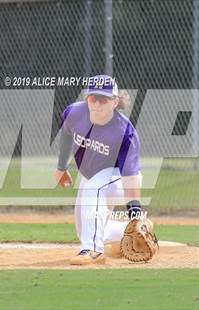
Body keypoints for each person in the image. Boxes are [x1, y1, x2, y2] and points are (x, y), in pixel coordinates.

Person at [54, 74, 143, 265]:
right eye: (93, 98)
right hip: (92, 177)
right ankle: (135, 231)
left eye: (103, 99)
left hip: (119, 178)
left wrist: (135, 211)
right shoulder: (74, 113)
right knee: (85, 226)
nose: (97, 104)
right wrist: (61, 167)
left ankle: (93, 250)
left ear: (115, 101)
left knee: (93, 189)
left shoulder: (124, 132)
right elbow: (66, 135)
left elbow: (131, 177)